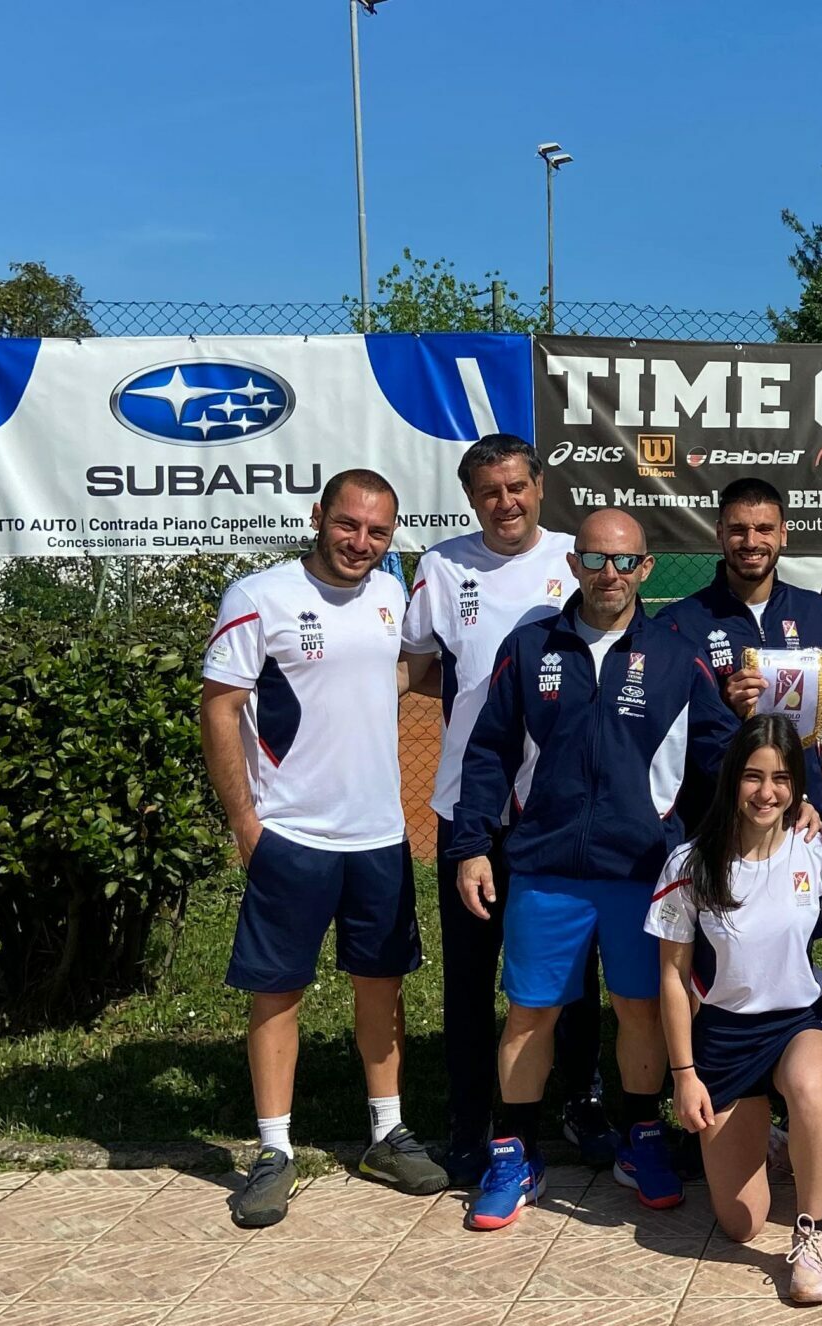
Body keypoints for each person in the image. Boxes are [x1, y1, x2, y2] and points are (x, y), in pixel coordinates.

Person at [448, 508, 734, 1229]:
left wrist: (769, 815)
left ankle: (641, 1136)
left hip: (644, 872)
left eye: (625, 561)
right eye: (596, 560)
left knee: (640, 1010)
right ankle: (514, 1152)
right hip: (545, 867)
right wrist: (473, 844)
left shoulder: (677, 655)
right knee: (531, 1013)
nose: (611, 574)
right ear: (573, 565)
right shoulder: (529, 647)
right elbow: (487, 754)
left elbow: (719, 759)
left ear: (646, 569)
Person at [201, 468, 448, 1228]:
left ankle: (385, 1133)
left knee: (382, 984)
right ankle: (273, 1149)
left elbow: (403, 669)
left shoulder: (390, 595)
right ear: (319, 516)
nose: (360, 543)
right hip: (293, 834)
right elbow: (220, 709)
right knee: (278, 990)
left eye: (377, 532)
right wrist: (247, 824)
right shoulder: (258, 595)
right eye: (348, 526)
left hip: (378, 835)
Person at [400, 434, 614, 1185]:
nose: (506, 503)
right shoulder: (441, 566)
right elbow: (417, 671)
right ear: (471, 498)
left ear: (540, 486)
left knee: (573, 974)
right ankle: (470, 1123)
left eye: (517, 486)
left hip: (558, 809)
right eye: (490, 491)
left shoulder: (577, 559)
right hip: (471, 807)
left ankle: (581, 1103)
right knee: (470, 976)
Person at [650, 717, 822, 1305]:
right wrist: (684, 1074)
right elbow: (671, 976)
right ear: (731, 780)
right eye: (752, 776)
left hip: (801, 1021)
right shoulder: (691, 865)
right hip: (726, 1036)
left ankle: (812, 1235)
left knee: (808, 1085)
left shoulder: (816, 849)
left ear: (797, 786)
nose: (766, 792)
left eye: (780, 778)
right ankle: (775, 1139)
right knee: (740, 1223)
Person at [658, 477, 822, 814]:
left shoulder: (817, 612)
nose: (751, 541)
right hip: (715, 811)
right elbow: (671, 728)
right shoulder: (680, 622)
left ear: (783, 534)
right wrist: (724, 701)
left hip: (801, 809)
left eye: (764, 529)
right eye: (738, 529)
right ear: (719, 533)